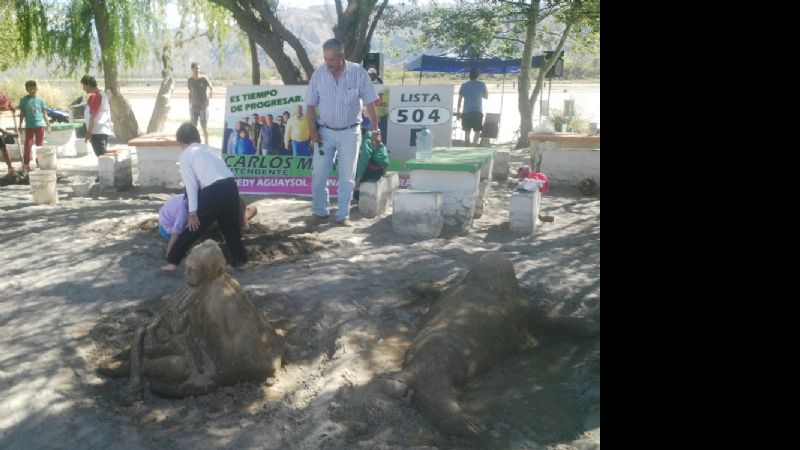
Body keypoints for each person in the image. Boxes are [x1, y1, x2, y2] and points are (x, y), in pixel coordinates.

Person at [305, 38, 380, 227]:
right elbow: (310, 105)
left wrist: (376, 130)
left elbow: (370, 103)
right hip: (324, 133)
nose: (327, 63)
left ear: (341, 57)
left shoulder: (358, 73)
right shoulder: (319, 74)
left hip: (350, 133)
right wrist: (313, 131)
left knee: (347, 176)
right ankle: (320, 212)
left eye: (331, 59)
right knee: (319, 174)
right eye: (325, 59)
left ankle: (342, 215)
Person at [161, 123, 247, 273]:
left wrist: (192, 212)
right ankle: (240, 261)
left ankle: (172, 262)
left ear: (181, 142)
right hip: (231, 186)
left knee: (194, 227)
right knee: (230, 229)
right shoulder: (209, 149)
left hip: (214, 189)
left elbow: (191, 185)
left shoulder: (186, 154)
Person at [81, 75, 114, 176]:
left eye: (84, 86)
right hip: (103, 128)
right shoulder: (102, 94)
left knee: (101, 155)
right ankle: (105, 175)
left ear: (88, 85)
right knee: (102, 154)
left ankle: (106, 176)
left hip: (97, 130)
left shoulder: (95, 96)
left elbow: (93, 115)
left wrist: (88, 132)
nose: (83, 88)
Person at [18, 80, 51, 173]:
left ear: (36, 88)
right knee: (28, 144)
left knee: (39, 145)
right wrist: (20, 125)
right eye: (29, 89)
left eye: (33, 88)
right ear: (26, 89)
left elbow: (44, 114)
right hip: (29, 126)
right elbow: (22, 114)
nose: (31, 90)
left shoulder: (40, 100)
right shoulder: (23, 100)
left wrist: (48, 125)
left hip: (39, 125)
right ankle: (26, 163)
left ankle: (39, 162)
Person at [353, 130, 389, 201]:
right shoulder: (373, 135)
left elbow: (364, 159)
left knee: (356, 166)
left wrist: (358, 179)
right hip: (381, 170)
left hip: (375, 172)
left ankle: (358, 199)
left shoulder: (367, 139)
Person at [457, 67, 488, 146]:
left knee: (467, 132)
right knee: (477, 131)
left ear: (469, 76)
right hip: (477, 111)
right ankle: (474, 146)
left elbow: (459, 100)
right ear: (477, 76)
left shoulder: (464, 85)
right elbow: (486, 97)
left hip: (466, 112)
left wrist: (458, 112)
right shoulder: (482, 84)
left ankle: (467, 147)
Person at [188, 62, 213, 144]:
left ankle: (207, 143)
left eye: (199, 68)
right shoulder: (190, 80)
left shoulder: (204, 79)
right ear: (192, 69)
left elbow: (211, 89)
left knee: (204, 127)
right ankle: (194, 142)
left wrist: (208, 99)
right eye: (196, 68)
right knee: (193, 127)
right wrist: (189, 104)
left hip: (203, 107)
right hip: (194, 107)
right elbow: (190, 92)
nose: (197, 70)